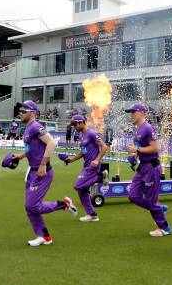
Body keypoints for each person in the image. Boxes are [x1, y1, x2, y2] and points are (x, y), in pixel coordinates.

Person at [11, 100, 78, 247]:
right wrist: (20, 156)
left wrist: (42, 164)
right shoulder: (28, 129)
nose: (20, 112)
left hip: (42, 172)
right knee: (29, 207)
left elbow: (51, 143)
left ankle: (64, 204)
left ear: (33, 113)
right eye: (20, 110)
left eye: (24, 110)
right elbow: (31, 149)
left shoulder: (35, 126)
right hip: (32, 172)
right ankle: (43, 237)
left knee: (33, 206)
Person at [125, 103, 172, 237]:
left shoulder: (147, 128)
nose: (132, 114)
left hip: (151, 167)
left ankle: (165, 228)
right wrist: (134, 156)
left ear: (143, 112)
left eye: (134, 112)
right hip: (143, 168)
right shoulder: (138, 129)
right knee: (133, 196)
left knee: (151, 201)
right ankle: (159, 208)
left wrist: (137, 150)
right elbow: (141, 148)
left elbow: (156, 148)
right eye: (131, 112)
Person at [58, 114, 108, 222]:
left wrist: (97, 160)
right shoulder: (82, 135)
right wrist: (71, 159)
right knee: (82, 191)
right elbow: (83, 152)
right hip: (86, 166)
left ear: (82, 122)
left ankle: (101, 175)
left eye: (75, 124)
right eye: (73, 124)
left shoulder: (91, 133)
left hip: (92, 166)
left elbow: (104, 147)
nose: (74, 126)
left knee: (78, 185)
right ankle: (92, 215)